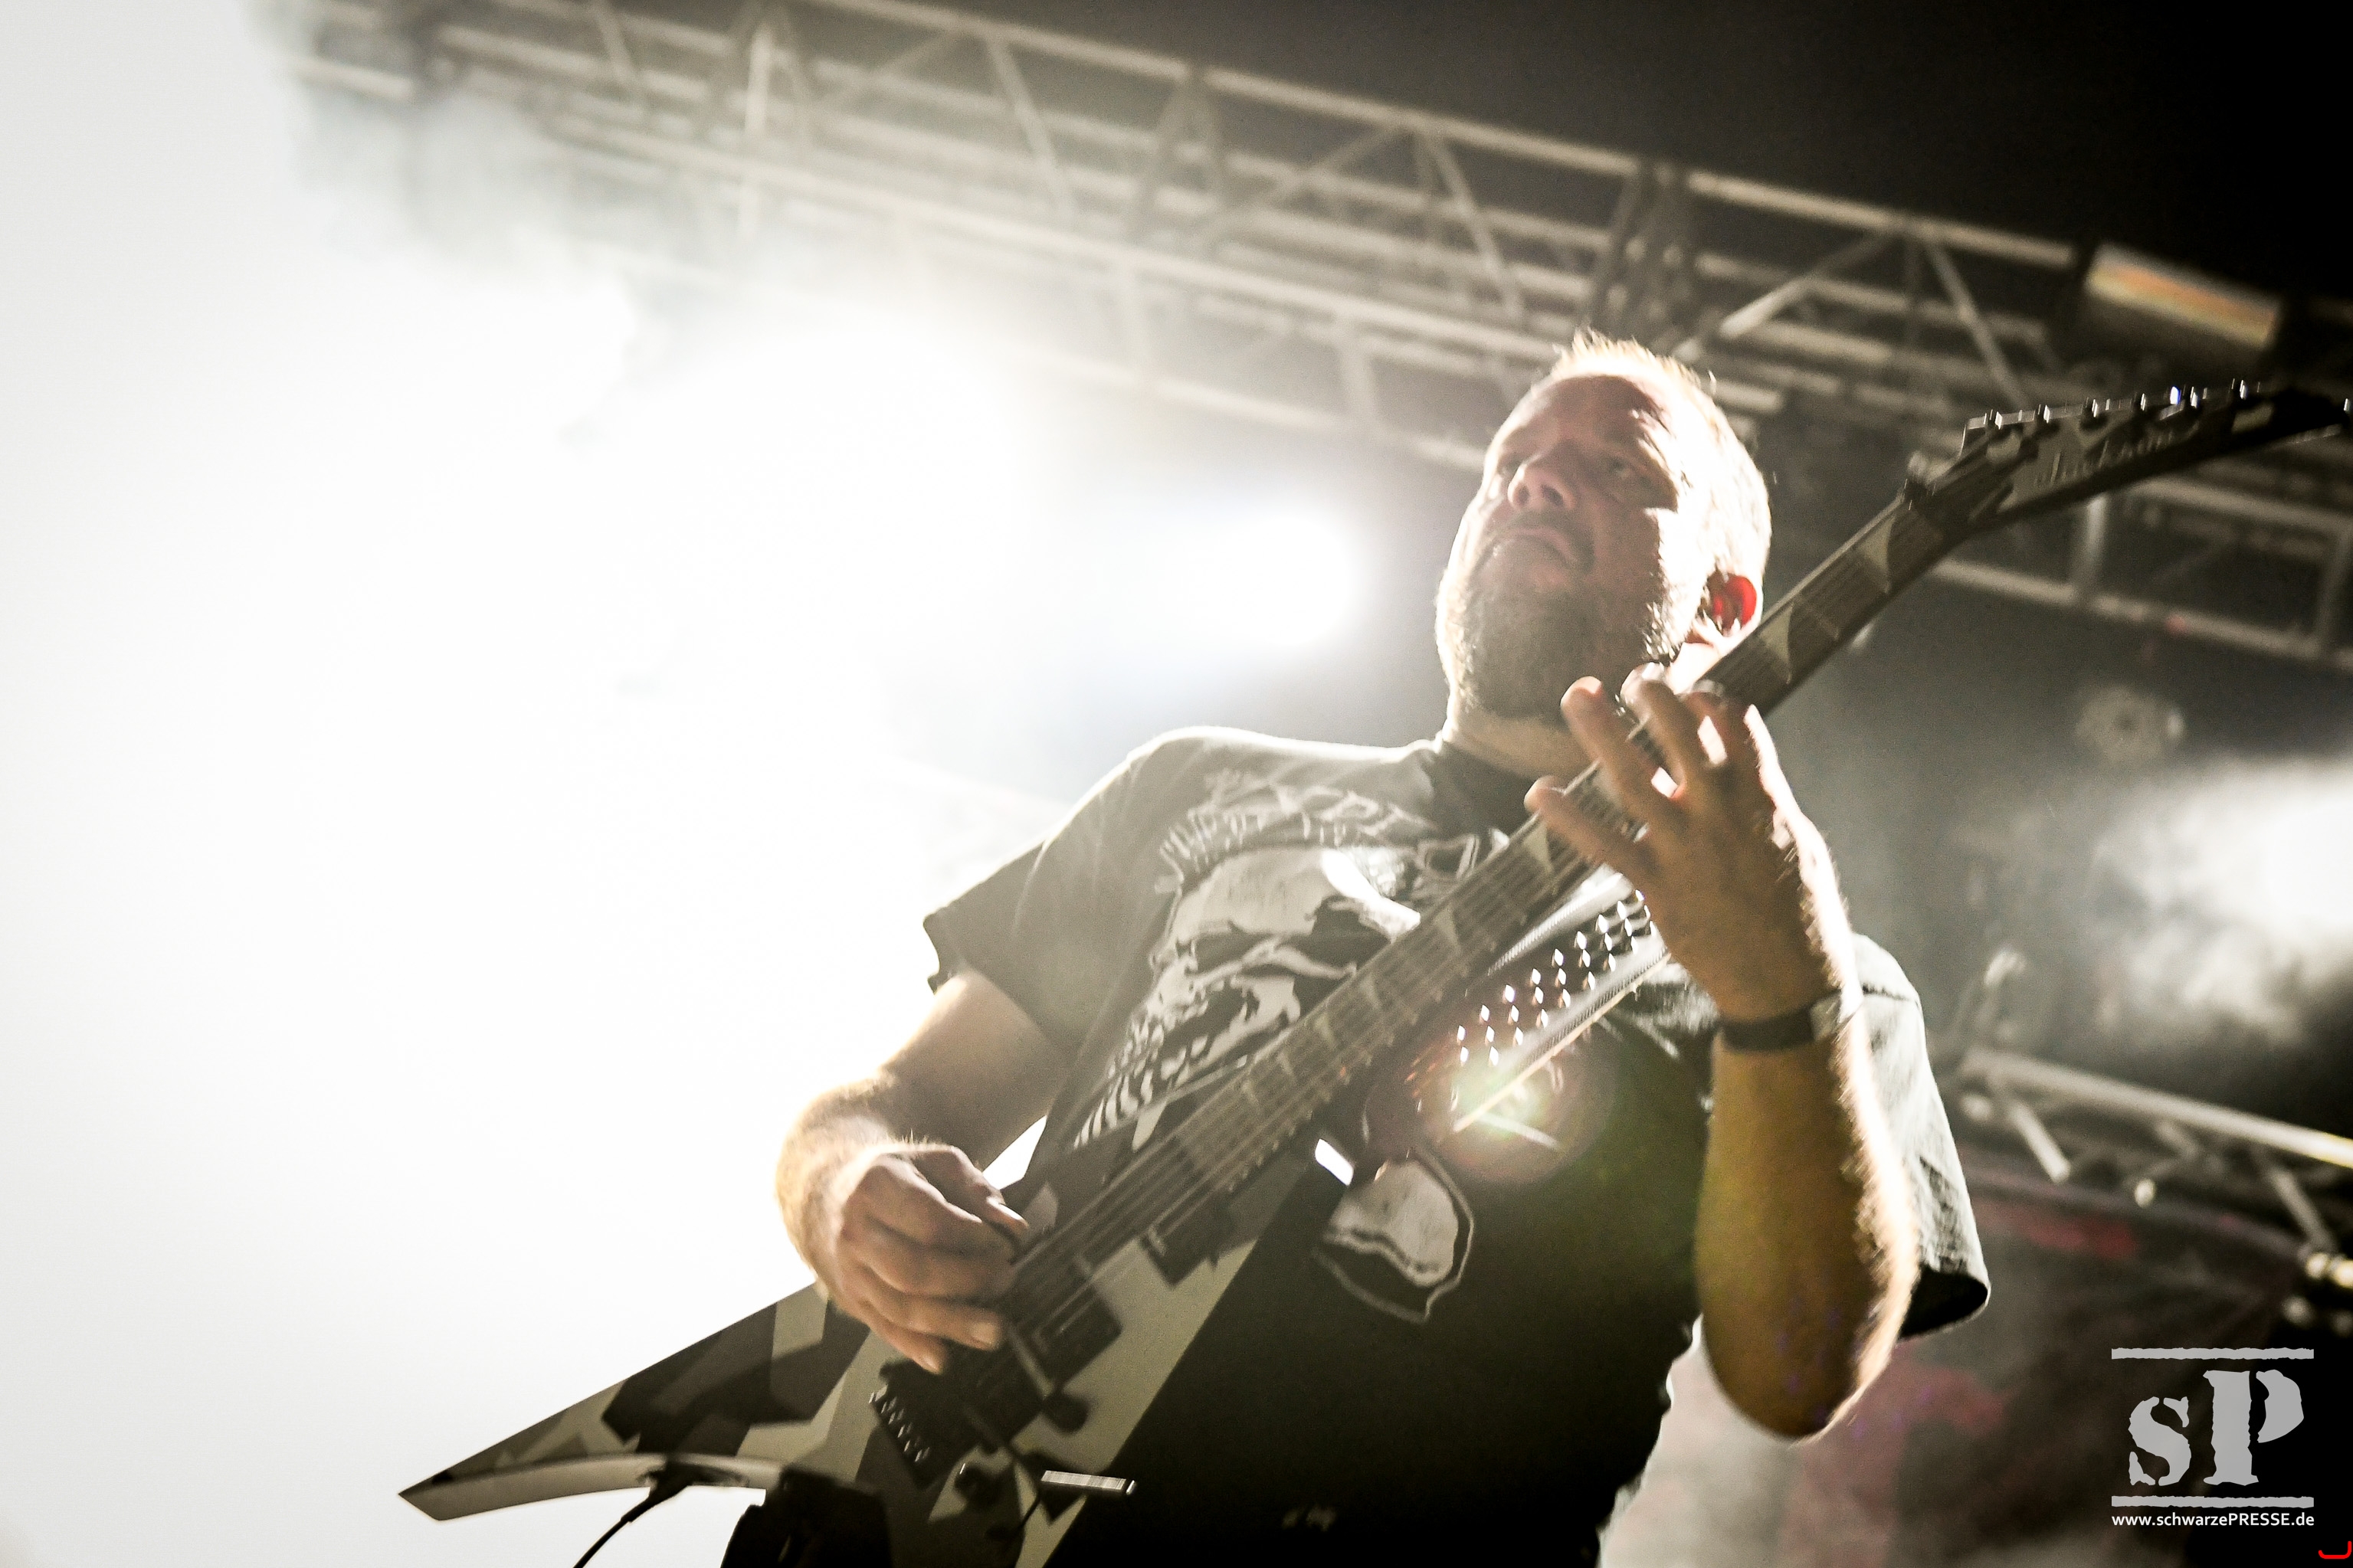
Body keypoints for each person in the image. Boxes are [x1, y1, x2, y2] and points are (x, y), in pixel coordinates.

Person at [775, 332, 1987, 1563]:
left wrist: (1784, 991)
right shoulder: (1197, 784)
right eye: (1513, 460)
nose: (1537, 481)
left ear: (1724, 608)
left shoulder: (1828, 979)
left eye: (1622, 470)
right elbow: (898, 1102)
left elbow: (1797, 1373)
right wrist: (838, 1189)